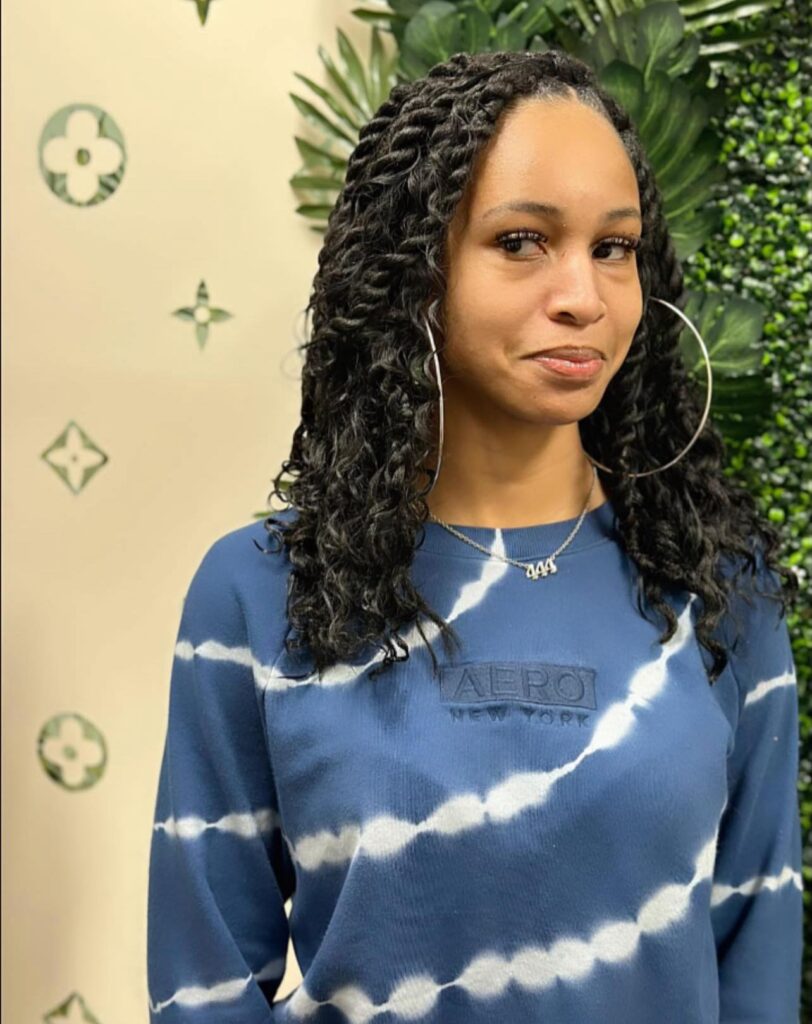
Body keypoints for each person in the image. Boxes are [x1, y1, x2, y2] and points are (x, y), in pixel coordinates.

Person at [147, 49, 803, 1023]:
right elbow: (204, 987)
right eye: (520, 241)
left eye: (612, 248)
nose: (581, 294)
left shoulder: (713, 591)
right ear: (411, 265)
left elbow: (754, 956)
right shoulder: (257, 593)